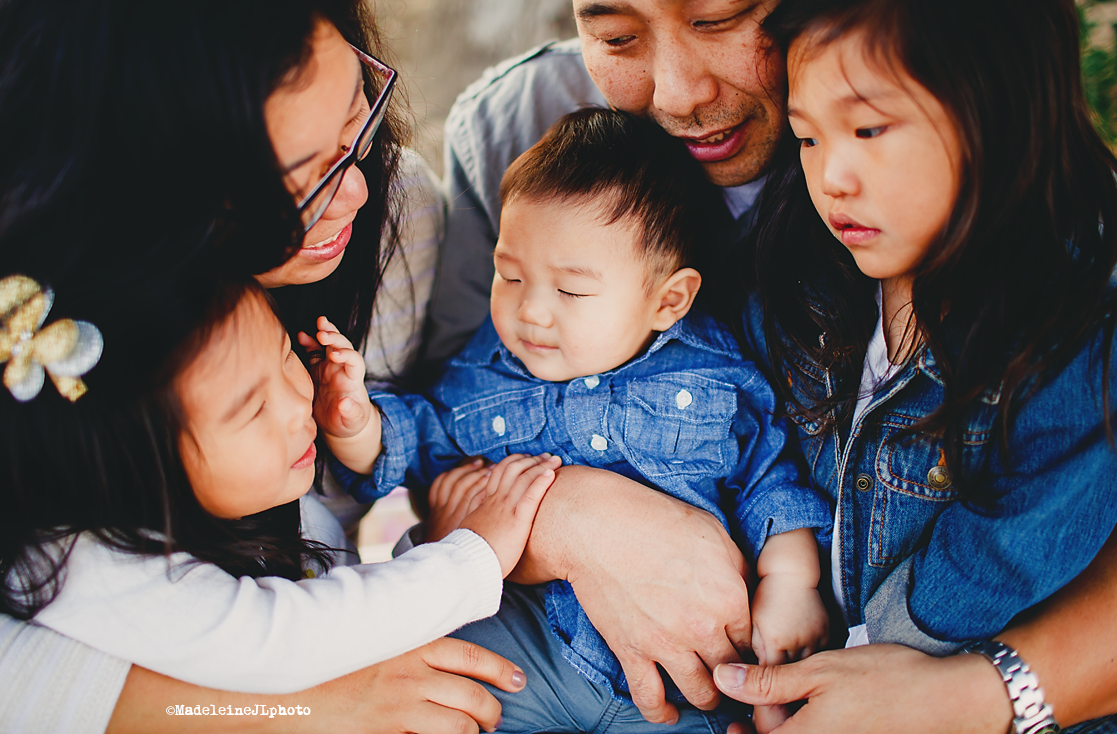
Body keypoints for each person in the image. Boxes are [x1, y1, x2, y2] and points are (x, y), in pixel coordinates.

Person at [427, 0, 1117, 730]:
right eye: (614, 37)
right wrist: (572, 518)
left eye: (721, 16)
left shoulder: (1043, 243)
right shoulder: (521, 137)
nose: (676, 94)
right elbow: (435, 452)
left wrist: (963, 693)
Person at [0, 0, 522, 731]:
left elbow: (460, 437)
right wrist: (284, 709)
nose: (358, 188)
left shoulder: (396, 215)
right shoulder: (25, 361)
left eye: (356, 124)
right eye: (301, 184)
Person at [324, 107, 832, 732]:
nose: (531, 311)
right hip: (521, 644)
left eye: (570, 291)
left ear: (667, 300)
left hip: (681, 681)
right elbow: (421, 441)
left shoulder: (710, 376)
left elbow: (770, 480)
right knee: (421, 692)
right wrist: (358, 428)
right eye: (509, 274)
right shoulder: (487, 371)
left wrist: (791, 582)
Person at [0, 272, 556, 692]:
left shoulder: (270, 496)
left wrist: (426, 543)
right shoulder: (88, 568)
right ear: (139, 472)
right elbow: (281, 638)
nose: (300, 403)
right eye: (251, 410)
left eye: (285, 358)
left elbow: (343, 585)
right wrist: (467, 558)